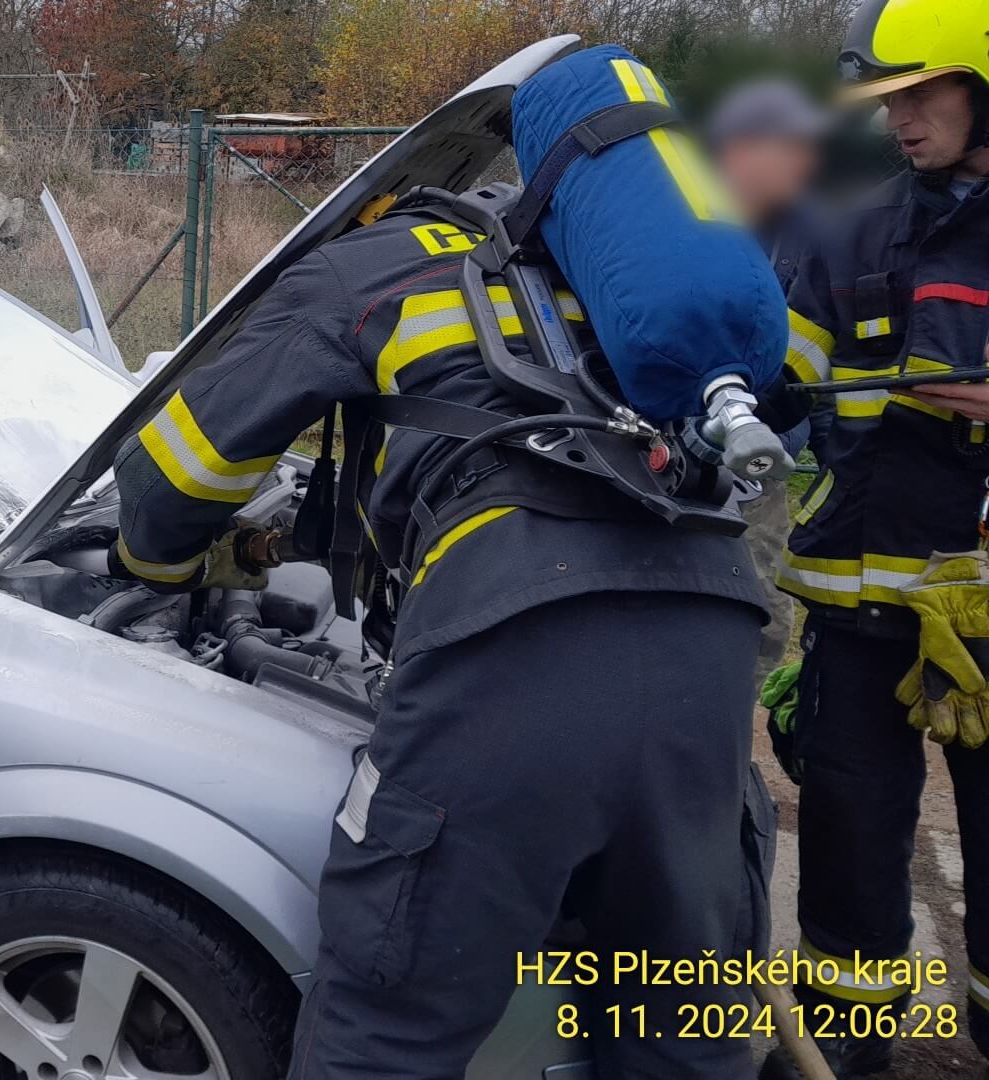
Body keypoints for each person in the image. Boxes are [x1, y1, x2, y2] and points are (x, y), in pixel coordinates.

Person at [106, 57, 777, 1078]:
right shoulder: (641, 287)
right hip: (712, 644)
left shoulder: (375, 264)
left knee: (390, 1024)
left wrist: (148, 571)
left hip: (510, 646)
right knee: (676, 1027)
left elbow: (182, 469)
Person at [763, 0, 989, 1075]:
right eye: (888, 99)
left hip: (983, 615)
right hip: (857, 609)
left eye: (921, 92)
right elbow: (773, 382)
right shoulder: (849, 230)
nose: (898, 118)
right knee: (848, 846)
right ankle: (843, 1046)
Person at [707, 79, 832, 685]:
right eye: (787, 147)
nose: (804, 162)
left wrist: (835, 461)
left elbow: (822, 361)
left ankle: (735, 726)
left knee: (762, 606)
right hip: (674, 454)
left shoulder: (821, 236)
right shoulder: (685, 228)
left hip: (765, 467)